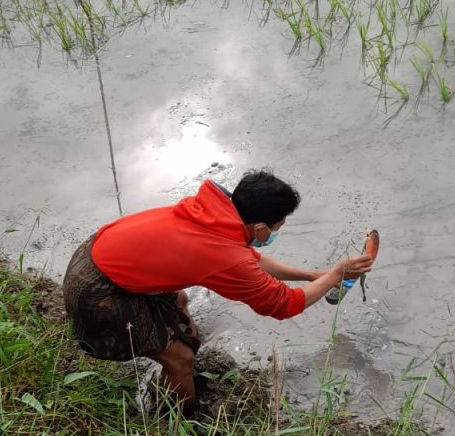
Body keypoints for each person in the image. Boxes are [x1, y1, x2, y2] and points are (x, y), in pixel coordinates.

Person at [62, 169, 372, 411]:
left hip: (96, 255)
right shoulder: (222, 253)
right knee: (180, 358)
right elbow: (284, 305)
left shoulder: (214, 211)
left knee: (180, 299)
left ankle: (176, 368)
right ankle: (182, 419)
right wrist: (333, 276)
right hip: (96, 291)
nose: (274, 233)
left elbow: (252, 258)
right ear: (261, 228)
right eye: (277, 227)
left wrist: (313, 275)